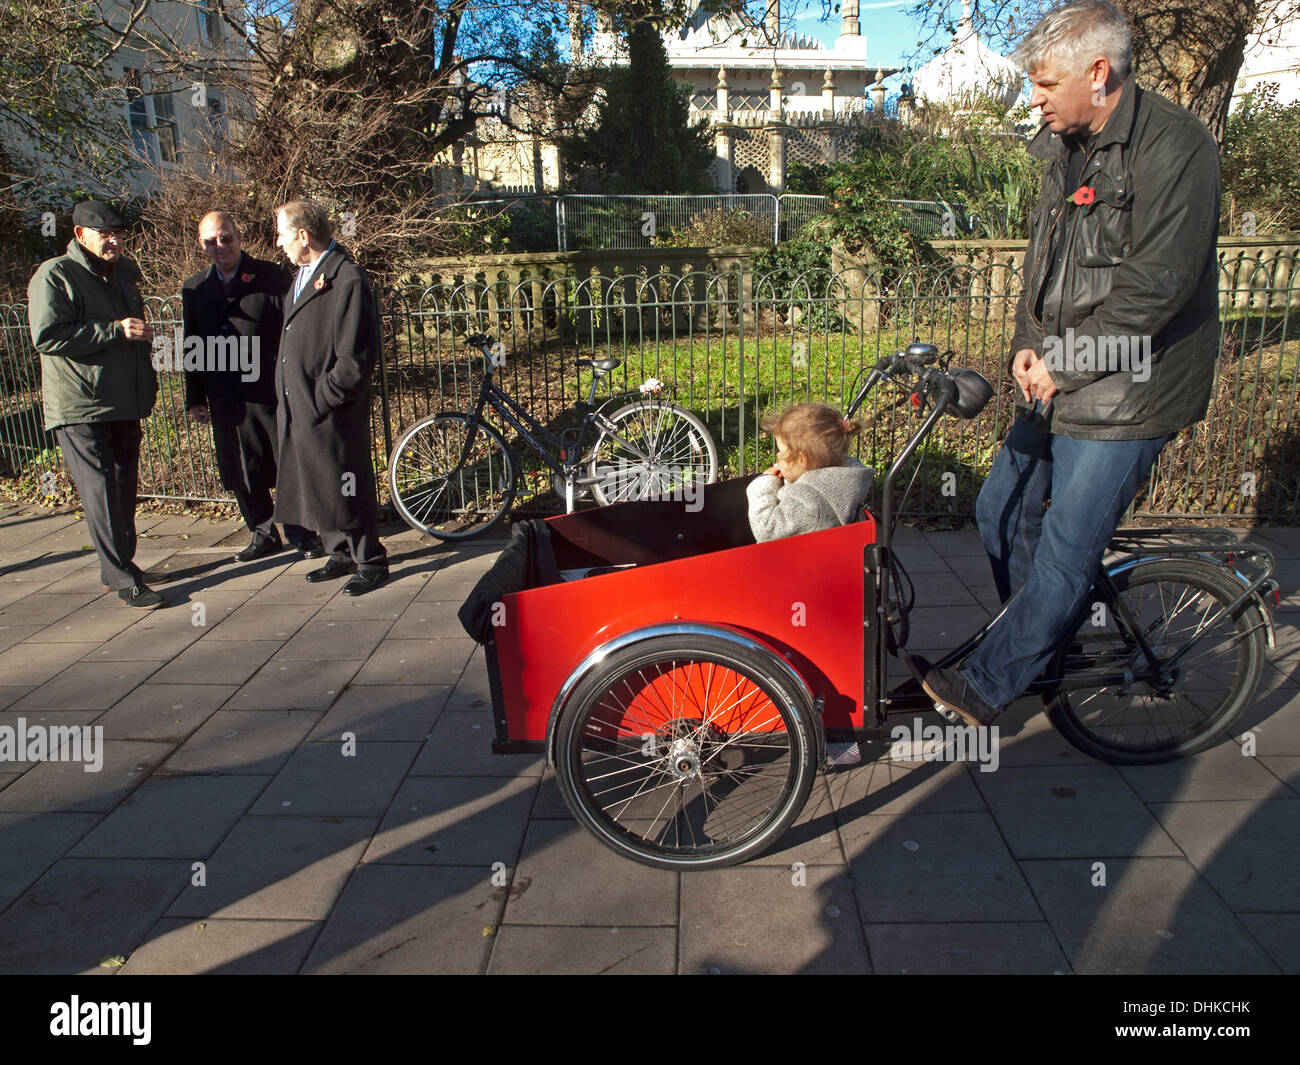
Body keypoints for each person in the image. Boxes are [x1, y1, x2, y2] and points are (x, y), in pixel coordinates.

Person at [910, 0, 1222, 726]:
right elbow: (1042, 270)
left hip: (1130, 391)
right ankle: (1042, 644)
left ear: (1100, 73)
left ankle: (990, 686)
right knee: (999, 511)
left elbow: (1158, 289)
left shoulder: (1175, 147)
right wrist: (1026, 342)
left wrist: (1066, 363)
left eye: (1047, 84)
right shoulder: (1066, 149)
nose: (1036, 98)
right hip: (1059, 374)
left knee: (1063, 547)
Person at [27, 200, 162, 608]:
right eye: (105, 233)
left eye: (119, 233)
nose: (114, 240)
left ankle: (120, 565)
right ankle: (122, 577)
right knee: (101, 490)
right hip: (80, 404)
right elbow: (48, 335)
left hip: (124, 399)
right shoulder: (56, 274)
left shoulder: (123, 273)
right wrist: (115, 330)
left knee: (123, 489)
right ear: (79, 234)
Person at [182, 211, 324, 562]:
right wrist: (195, 397)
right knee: (240, 467)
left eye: (226, 237)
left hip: (269, 388)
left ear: (239, 236)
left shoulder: (270, 276)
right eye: (211, 241)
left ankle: (300, 532)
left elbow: (293, 327)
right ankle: (262, 532)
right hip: (225, 395)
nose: (220, 246)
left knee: (284, 461)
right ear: (202, 244)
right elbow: (191, 343)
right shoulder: (194, 287)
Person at [272, 199, 389, 595]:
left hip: (328, 408)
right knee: (318, 484)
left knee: (346, 481)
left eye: (283, 234)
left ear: (303, 236)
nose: (278, 242)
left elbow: (354, 359)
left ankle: (369, 559)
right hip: (301, 406)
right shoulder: (305, 274)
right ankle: (338, 552)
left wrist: (322, 398)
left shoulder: (347, 278)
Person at [747, 403, 873, 542]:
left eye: (781, 451)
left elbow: (767, 531)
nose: (777, 456)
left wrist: (763, 487)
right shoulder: (842, 482)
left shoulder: (808, 503)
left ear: (802, 460)